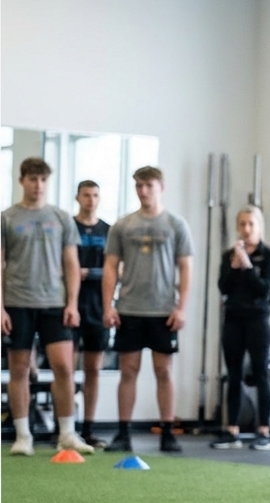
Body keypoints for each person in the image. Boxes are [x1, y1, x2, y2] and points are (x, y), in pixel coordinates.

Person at [2, 157, 93, 456]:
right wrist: (0, 308)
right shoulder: (7, 218)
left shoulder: (61, 217)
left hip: (55, 303)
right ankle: (23, 435)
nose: (37, 185)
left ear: (47, 182)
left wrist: (72, 303)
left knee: (64, 367)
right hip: (17, 301)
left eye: (42, 179)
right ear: (22, 181)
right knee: (19, 369)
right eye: (31, 179)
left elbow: (71, 262)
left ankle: (67, 433)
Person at [102, 166, 195, 453]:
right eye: (139, 186)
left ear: (161, 187)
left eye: (149, 185)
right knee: (128, 371)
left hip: (163, 310)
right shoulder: (123, 225)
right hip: (129, 307)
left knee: (163, 371)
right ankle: (123, 433)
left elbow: (186, 266)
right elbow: (110, 266)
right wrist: (108, 305)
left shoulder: (176, 224)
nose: (143, 191)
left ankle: (168, 432)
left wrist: (181, 307)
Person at [212, 205, 270, 451]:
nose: (247, 229)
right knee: (234, 373)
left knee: (261, 372)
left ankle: (263, 429)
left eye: (251, 224)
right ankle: (232, 430)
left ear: (259, 226)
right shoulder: (229, 255)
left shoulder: (268, 255)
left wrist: (248, 266)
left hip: (258, 319)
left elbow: (263, 288)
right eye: (242, 224)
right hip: (233, 318)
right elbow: (224, 287)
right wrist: (234, 266)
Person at [73, 179, 111, 449]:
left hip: (98, 305)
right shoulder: (68, 227)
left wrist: (90, 273)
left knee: (93, 370)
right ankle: (65, 427)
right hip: (71, 303)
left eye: (95, 195)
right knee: (65, 369)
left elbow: (114, 269)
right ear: (78, 197)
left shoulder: (108, 230)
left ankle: (88, 428)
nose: (90, 199)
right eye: (86, 195)